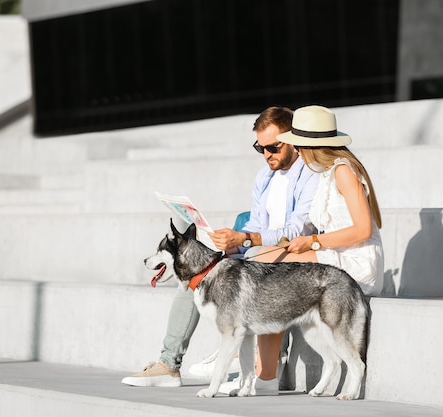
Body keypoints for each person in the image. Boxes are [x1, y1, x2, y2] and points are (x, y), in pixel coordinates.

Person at [121, 106, 319, 392]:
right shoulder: (265, 177)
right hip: (258, 253)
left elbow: (297, 230)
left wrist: (247, 239)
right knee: (193, 272)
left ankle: (241, 354)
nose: (267, 155)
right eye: (259, 148)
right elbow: (255, 223)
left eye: (273, 147)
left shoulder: (309, 174)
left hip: (290, 258)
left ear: (293, 140)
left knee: (240, 268)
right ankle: (169, 365)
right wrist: (226, 241)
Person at [252, 105, 384, 390]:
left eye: (298, 145)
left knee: (269, 267)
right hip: (335, 255)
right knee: (263, 259)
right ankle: (261, 366)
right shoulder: (326, 174)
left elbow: (363, 230)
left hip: (357, 263)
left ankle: (263, 372)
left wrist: (313, 242)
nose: (296, 151)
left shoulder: (344, 173)